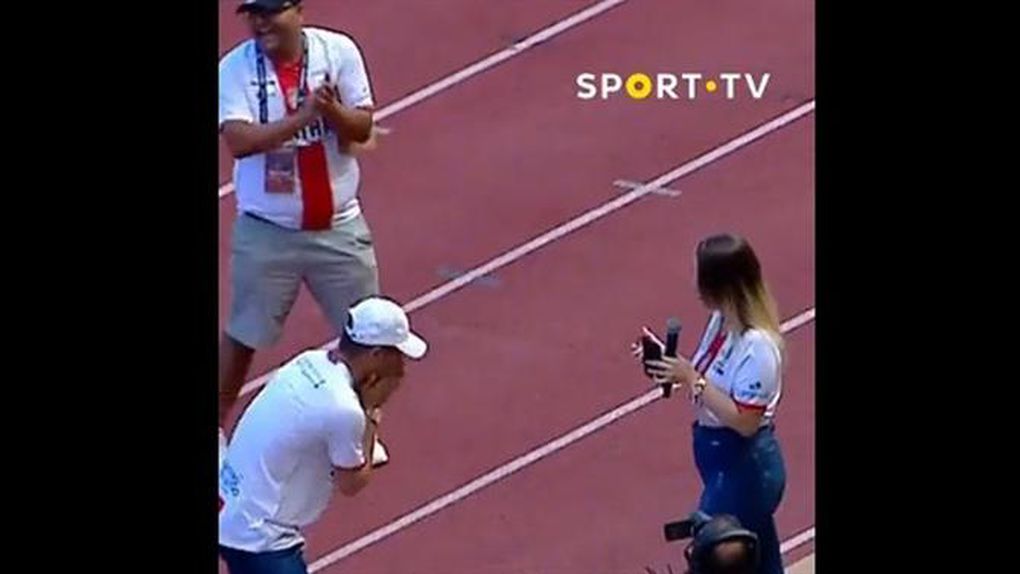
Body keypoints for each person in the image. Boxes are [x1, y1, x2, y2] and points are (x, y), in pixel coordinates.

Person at [217, 0, 382, 435]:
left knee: (370, 337)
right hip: (267, 229)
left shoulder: (338, 52)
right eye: (253, 14)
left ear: (298, 11)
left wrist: (331, 112)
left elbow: (362, 126)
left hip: (339, 224)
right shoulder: (234, 70)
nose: (261, 23)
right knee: (243, 336)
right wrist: (304, 117)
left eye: (270, 12)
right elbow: (239, 141)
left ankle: (362, 432)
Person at [219, 296, 427, 574]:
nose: (402, 367)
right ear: (376, 355)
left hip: (233, 502)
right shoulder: (344, 409)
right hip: (259, 535)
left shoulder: (309, 360)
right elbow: (352, 483)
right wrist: (371, 412)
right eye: (398, 355)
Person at [637, 233, 787, 574]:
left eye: (699, 275)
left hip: (743, 465)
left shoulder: (758, 348)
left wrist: (692, 378)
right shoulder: (721, 323)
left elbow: (745, 421)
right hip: (721, 460)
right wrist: (673, 368)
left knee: (713, 554)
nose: (694, 284)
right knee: (759, 556)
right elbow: (709, 380)